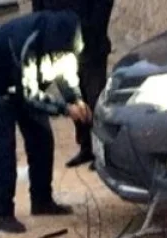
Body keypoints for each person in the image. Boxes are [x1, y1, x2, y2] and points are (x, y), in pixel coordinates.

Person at [0, 10, 94, 234]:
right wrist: (65, 109)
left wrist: (76, 99)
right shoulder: (27, 45)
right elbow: (30, 96)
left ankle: (41, 200)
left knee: (42, 138)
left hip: (25, 80)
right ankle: (3, 213)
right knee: (5, 146)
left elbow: (65, 73)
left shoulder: (65, 40)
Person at [32, 0, 115, 168]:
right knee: (74, 97)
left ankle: (103, 151)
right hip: (59, 45)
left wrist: (93, 28)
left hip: (90, 43)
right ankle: (86, 147)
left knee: (95, 98)